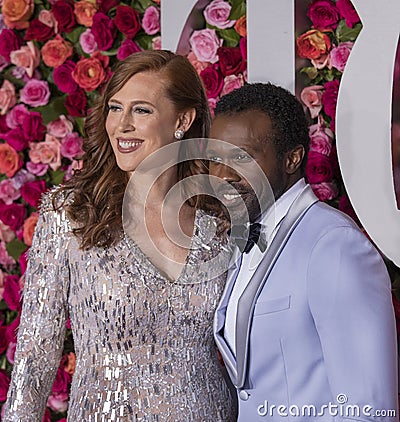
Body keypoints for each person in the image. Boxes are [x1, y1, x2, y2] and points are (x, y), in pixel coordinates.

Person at [3, 51, 235, 421]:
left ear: (184, 120)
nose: (122, 125)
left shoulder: (217, 222)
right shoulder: (70, 215)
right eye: (115, 108)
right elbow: (36, 352)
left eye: (141, 110)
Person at [208, 83, 398, 420]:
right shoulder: (241, 236)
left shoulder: (335, 245)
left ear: (292, 158)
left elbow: (369, 408)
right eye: (215, 158)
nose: (222, 176)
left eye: (241, 157)